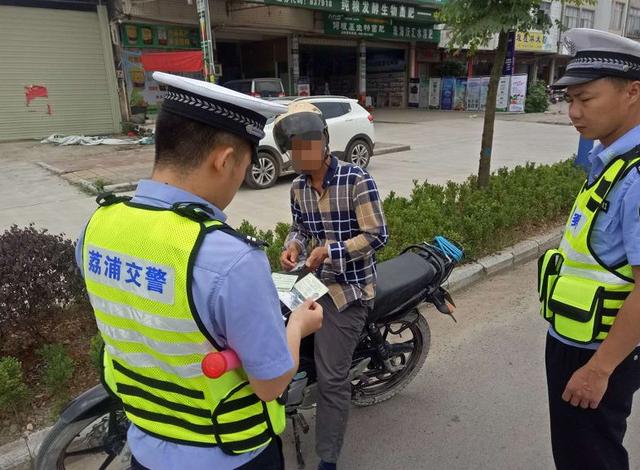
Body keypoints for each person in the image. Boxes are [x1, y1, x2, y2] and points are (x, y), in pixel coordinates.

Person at [74, 72, 323, 470]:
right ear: (223, 160)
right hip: (231, 454)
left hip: (147, 448)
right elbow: (271, 384)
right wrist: (296, 327)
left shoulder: (96, 227)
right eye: (243, 168)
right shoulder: (229, 259)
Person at [540, 28, 640, 470]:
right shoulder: (611, 162)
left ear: (632, 92)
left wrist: (600, 369)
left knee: (590, 459)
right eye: (569, 100)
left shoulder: (636, 177)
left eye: (585, 99)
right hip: (575, 338)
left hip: (597, 351)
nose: (573, 113)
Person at [274, 102, 388, 470]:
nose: (301, 153)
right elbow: (300, 229)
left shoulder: (356, 179)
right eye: (294, 147)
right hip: (312, 280)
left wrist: (331, 251)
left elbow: (377, 235)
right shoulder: (297, 187)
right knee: (271, 320)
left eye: (307, 143)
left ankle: (327, 457)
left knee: (331, 378)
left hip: (350, 289)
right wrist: (292, 246)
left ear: (323, 141)